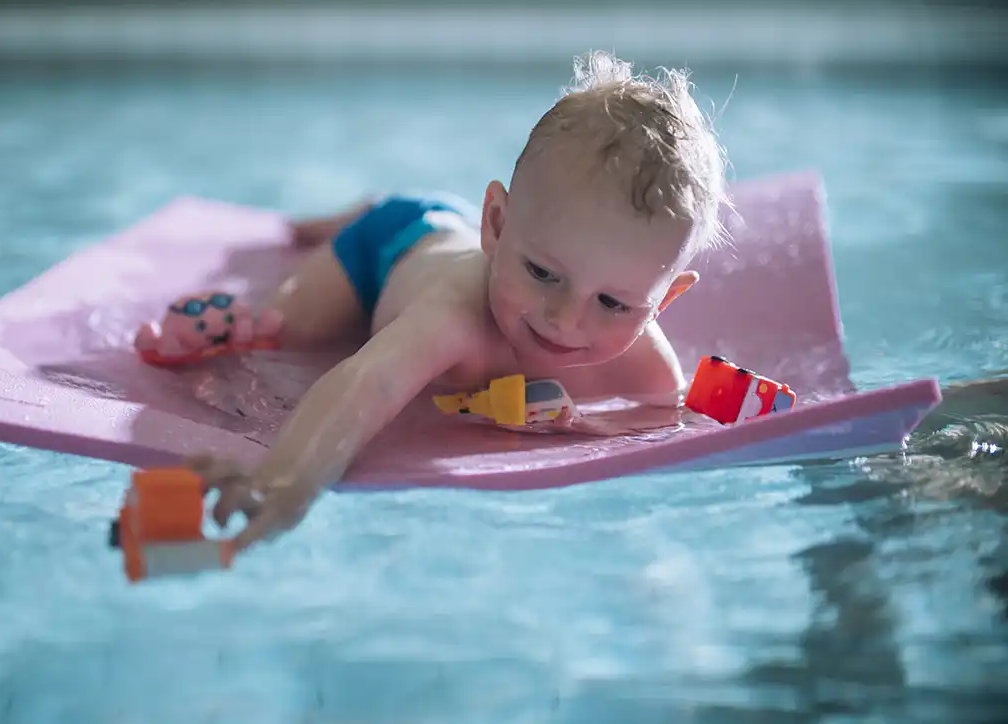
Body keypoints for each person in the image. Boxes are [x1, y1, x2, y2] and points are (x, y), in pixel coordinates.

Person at [188, 51, 732, 556]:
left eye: (614, 304)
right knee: (285, 328)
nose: (564, 320)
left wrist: (582, 426)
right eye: (541, 273)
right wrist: (286, 481)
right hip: (391, 243)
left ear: (664, 301)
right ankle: (368, 212)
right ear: (494, 225)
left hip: (462, 230)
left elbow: (667, 432)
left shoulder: (646, 366)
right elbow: (367, 383)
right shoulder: (456, 312)